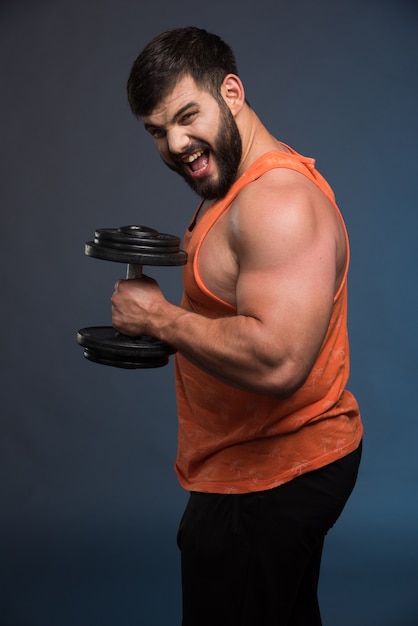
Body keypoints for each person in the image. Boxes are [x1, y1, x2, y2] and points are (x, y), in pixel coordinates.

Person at [112, 26, 363, 626]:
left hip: (275, 473)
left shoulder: (277, 202)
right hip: (250, 468)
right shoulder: (229, 184)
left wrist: (162, 320)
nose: (175, 143)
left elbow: (278, 360)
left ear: (231, 92)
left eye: (186, 116)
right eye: (156, 131)